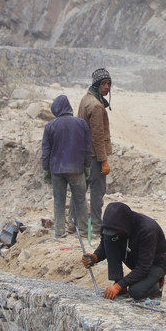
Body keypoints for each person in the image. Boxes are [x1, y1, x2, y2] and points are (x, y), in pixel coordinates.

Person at [81, 202, 166, 300]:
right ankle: (119, 281)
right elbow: (105, 245)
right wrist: (94, 257)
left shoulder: (147, 230)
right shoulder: (113, 226)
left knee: (136, 292)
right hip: (133, 257)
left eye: (116, 232)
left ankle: (157, 283)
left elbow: (144, 266)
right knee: (109, 238)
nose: (114, 233)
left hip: (154, 263)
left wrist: (118, 286)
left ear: (124, 226)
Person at [41, 95, 93, 238]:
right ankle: (83, 231)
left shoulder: (50, 126)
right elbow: (88, 148)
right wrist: (87, 166)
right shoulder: (81, 124)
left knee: (59, 201)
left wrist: (46, 170)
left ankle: (59, 232)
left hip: (57, 170)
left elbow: (46, 151)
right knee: (80, 200)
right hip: (77, 169)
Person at [79, 68, 113, 229]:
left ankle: (75, 224)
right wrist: (104, 160)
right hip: (94, 156)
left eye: (109, 83)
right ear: (97, 84)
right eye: (104, 83)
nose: (107, 87)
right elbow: (97, 137)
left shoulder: (85, 99)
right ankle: (96, 226)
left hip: (84, 154)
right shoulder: (97, 106)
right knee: (97, 192)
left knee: (80, 190)